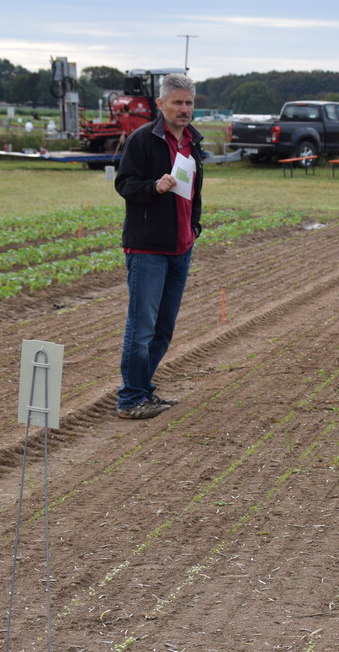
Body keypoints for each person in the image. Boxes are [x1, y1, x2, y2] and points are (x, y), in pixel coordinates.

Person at [114, 73, 204, 420]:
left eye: (189, 103)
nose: (184, 109)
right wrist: (154, 187)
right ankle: (130, 398)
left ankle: (143, 389)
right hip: (148, 248)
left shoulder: (192, 142)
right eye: (178, 102)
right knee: (142, 328)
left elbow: (195, 192)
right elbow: (124, 184)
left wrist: (194, 228)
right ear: (161, 104)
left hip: (181, 246)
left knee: (164, 328)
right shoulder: (142, 140)